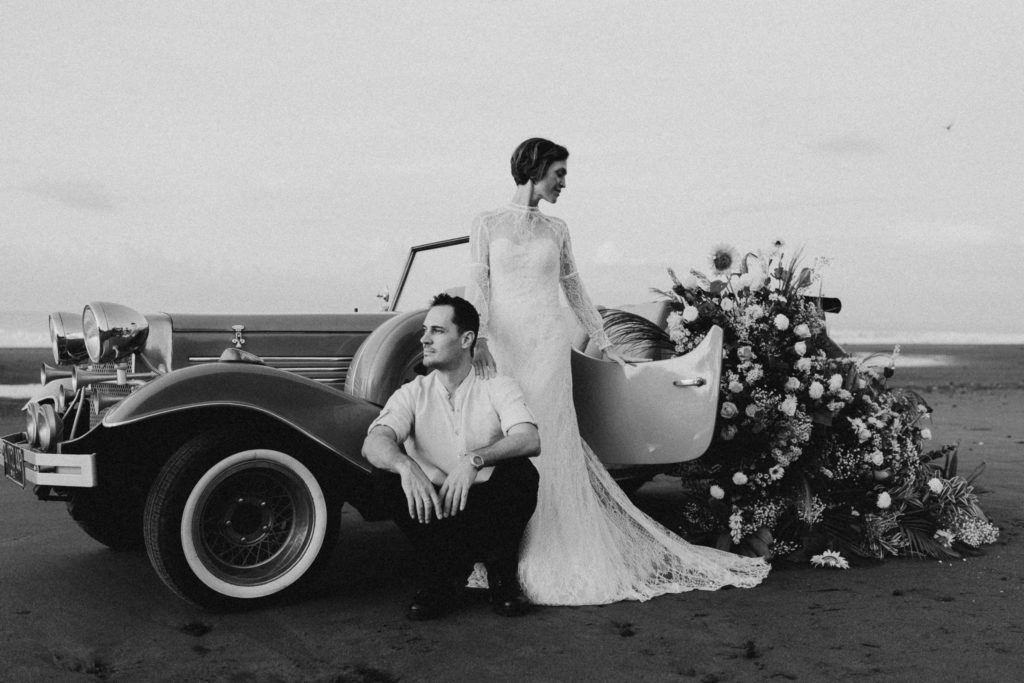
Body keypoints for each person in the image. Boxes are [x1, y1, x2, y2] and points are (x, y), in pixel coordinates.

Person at [465, 138, 770, 605]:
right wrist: (480, 336)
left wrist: (606, 343)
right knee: (504, 435)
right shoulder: (486, 223)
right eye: (559, 172)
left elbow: (574, 288)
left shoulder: (558, 228)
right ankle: (498, 548)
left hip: (548, 348)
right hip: (504, 346)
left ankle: (551, 549)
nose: (565, 182)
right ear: (536, 167)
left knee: (549, 440)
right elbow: (478, 285)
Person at [362, 293, 541, 620]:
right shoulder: (412, 392)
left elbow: (529, 438)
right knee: (384, 474)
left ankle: (500, 574)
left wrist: (474, 460)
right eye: (424, 330)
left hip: (488, 506)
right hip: (435, 508)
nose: (424, 339)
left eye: (437, 331)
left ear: (467, 339)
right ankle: (441, 576)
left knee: (522, 473)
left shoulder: (498, 386)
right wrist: (404, 465)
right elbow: (374, 441)